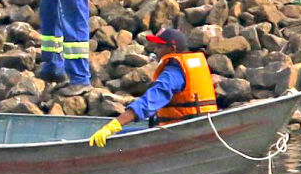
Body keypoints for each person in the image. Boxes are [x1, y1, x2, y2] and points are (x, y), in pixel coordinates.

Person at [89, 28, 218, 147]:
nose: (155, 50)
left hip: (181, 133)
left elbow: (150, 100)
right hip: (195, 127)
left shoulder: (173, 73)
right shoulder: (190, 65)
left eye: (159, 46)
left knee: (117, 138)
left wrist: (113, 126)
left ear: (172, 49)